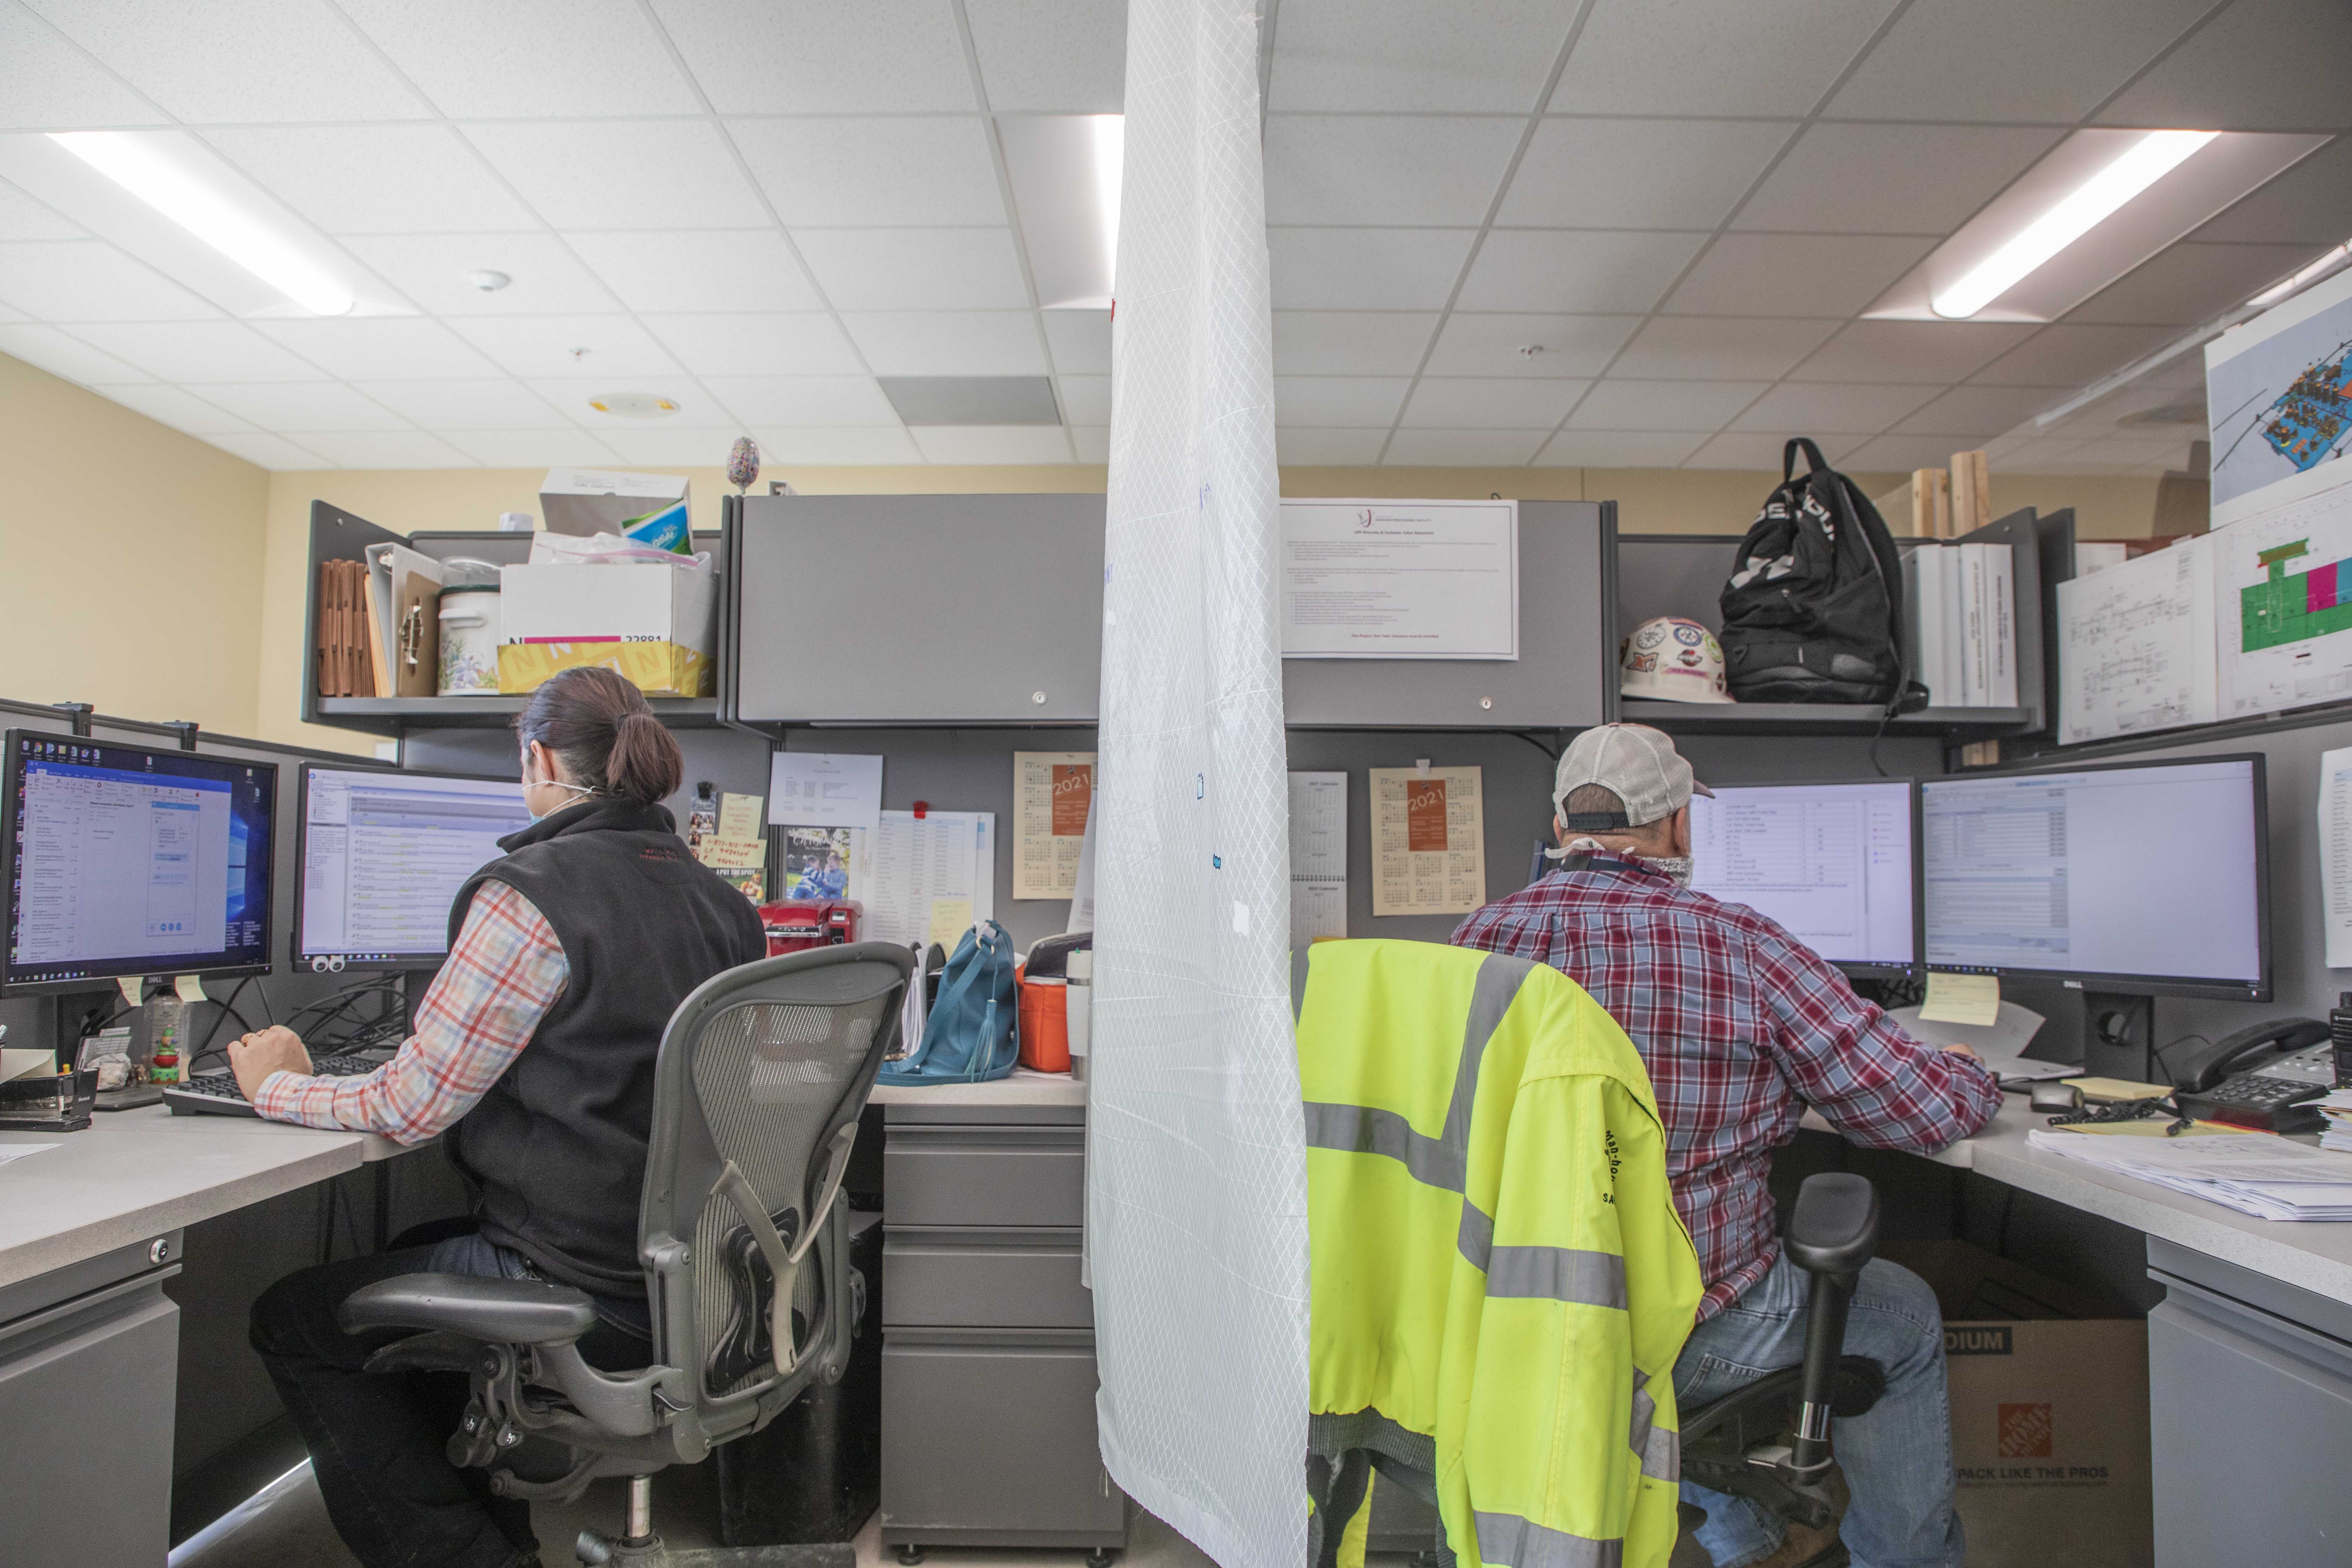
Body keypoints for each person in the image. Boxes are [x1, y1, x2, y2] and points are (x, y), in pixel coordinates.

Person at [237, 667, 768, 1568]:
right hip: (697, 1275)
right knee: (419, 1243)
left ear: (536, 756)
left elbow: (407, 1106)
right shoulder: (722, 903)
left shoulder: (533, 893)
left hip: (593, 1277)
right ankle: (494, 1535)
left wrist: (276, 1084)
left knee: (292, 1318)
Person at [1451, 723, 2001, 1568]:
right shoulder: (1743, 945)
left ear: (1562, 828)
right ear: (1679, 827)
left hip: (1518, 1313)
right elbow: (1918, 1111)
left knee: (1639, 1362)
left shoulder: (1476, 944)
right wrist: (1969, 1074)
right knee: (1902, 1312)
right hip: (1696, 1327)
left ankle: (1741, 1529)